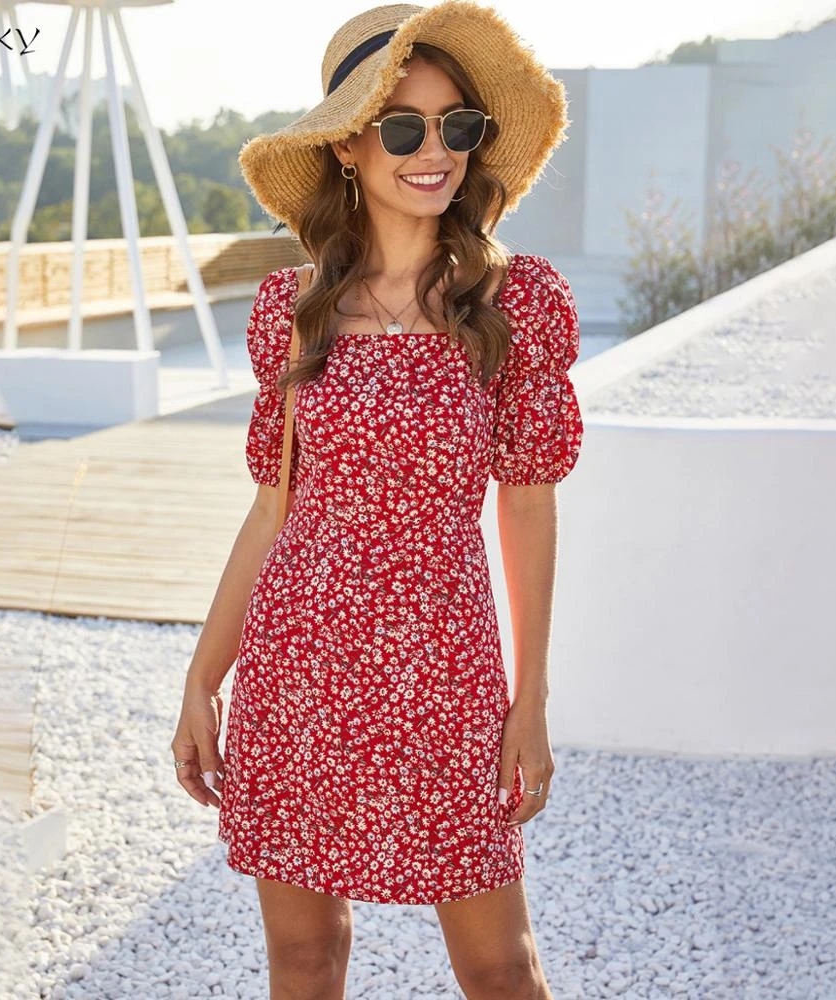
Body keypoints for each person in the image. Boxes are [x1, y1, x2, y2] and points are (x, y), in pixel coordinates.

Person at [171, 2, 583, 997]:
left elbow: (524, 506)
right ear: (350, 148)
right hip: (298, 669)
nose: (431, 149)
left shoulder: (513, 306)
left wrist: (529, 700)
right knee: (305, 957)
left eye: (456, 125)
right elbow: (273, 510)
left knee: (500, 964)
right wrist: (201, 676)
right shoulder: (292, 312)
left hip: (445, 673)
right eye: (402, 126)